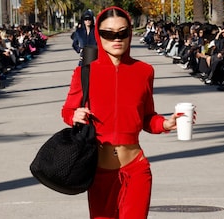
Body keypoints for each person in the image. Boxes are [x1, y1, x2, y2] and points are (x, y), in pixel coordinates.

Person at [62, 6, 190, 219]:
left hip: (136, 170)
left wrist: (166, 124)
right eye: (108, 33)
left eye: (123, 32)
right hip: (99, 173)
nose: (117, 38)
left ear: (130, 32)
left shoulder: (144, 71)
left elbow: (148, 118)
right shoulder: (84, 72)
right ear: (98, 34)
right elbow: (67, 110)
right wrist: (73, 116)